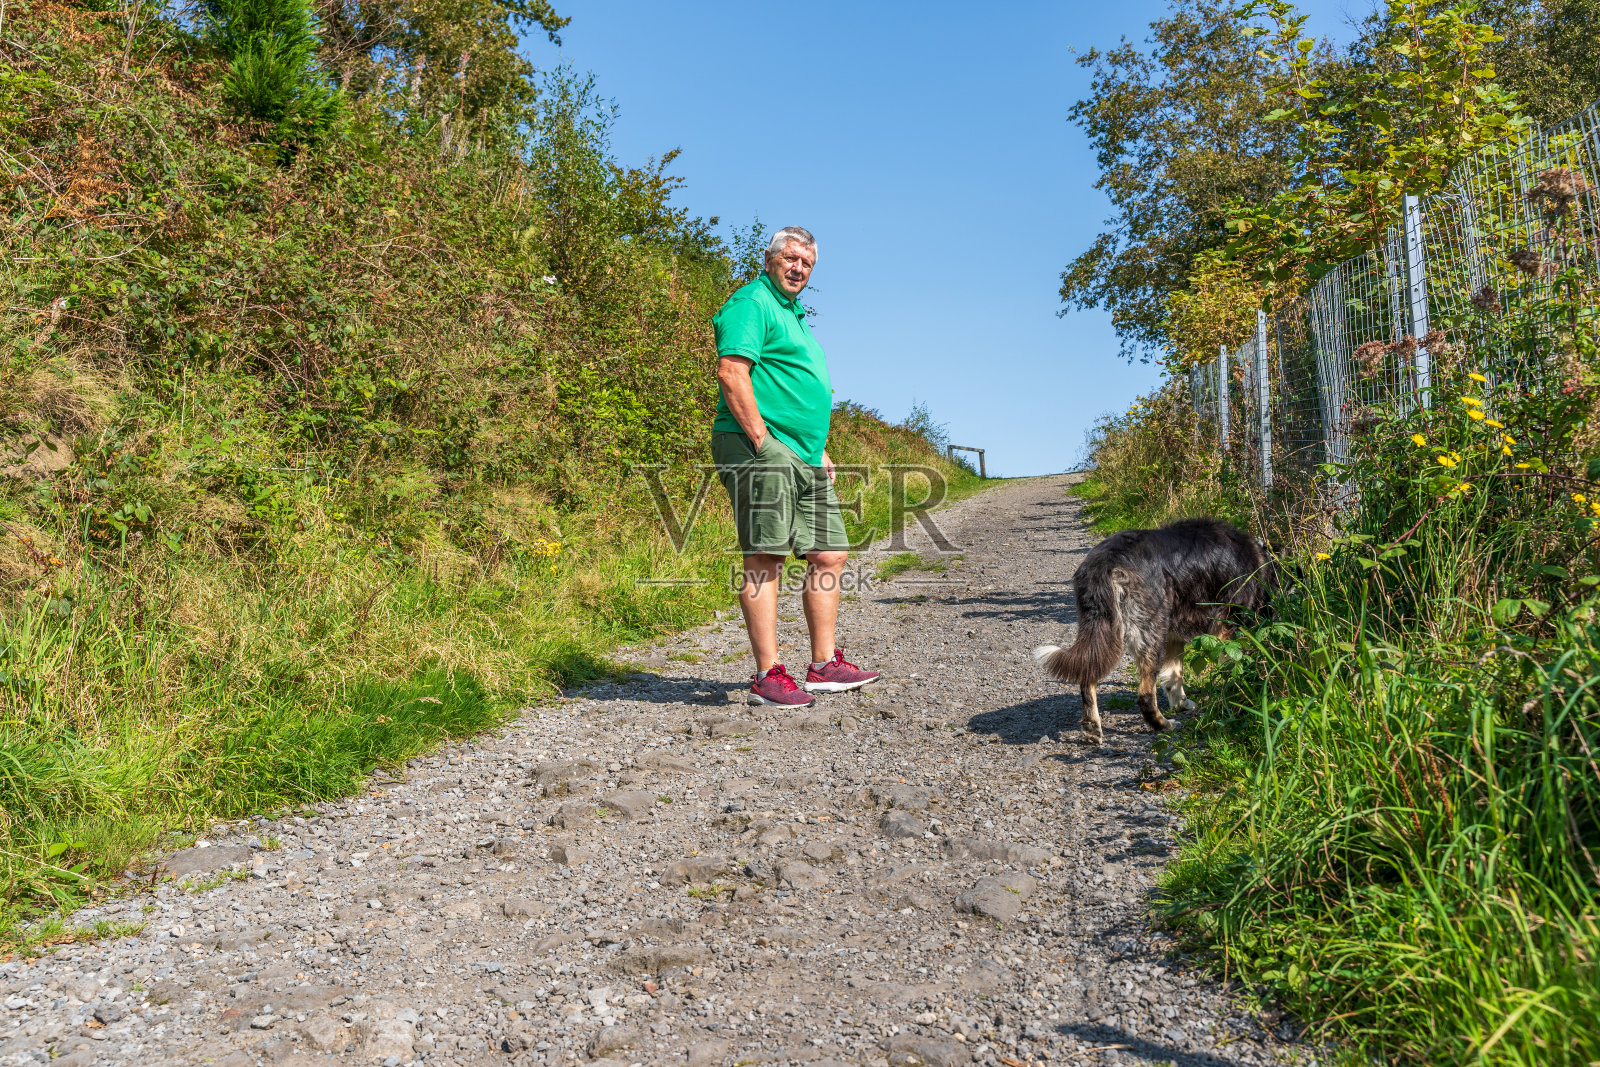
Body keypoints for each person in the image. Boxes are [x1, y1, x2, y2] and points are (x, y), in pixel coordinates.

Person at [711, 226, 881, 708]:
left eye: (806, 263)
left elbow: (793, 388)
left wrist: (816, 448)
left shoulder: (796, 315)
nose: (798, 268)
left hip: (803, 454)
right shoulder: (752, 302)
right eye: (790, 258)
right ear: (769, 260)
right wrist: (763, 441)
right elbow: (732, 371)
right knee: (766, 556)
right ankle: (767, 675)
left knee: (829, 552)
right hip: (759, 446)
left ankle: (824, 666)